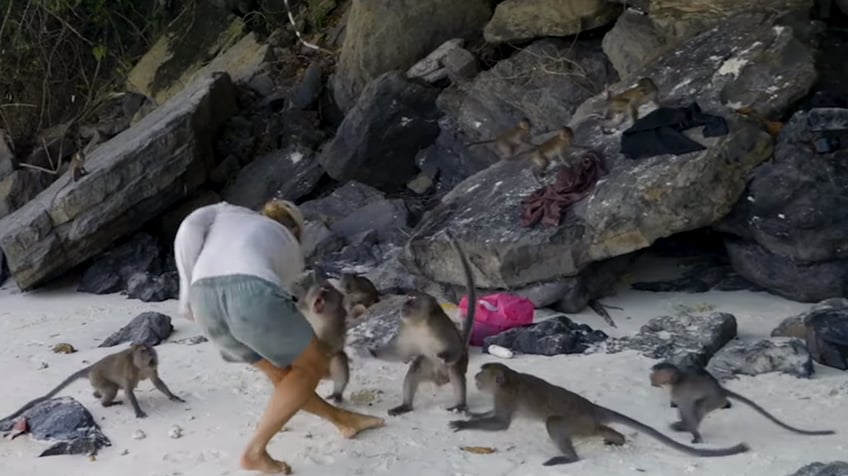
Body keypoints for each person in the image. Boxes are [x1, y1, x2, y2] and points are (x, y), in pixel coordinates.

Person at [173, 199, 384, 474]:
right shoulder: (289, 244)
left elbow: (189, 227)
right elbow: (276, 299)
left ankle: (343, 420)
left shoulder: (227, 212)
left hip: (203, 299)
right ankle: (255, 451)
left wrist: (185, 294)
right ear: (296, 230)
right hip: (250, 291)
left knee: (284, 376)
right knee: (310, 366)